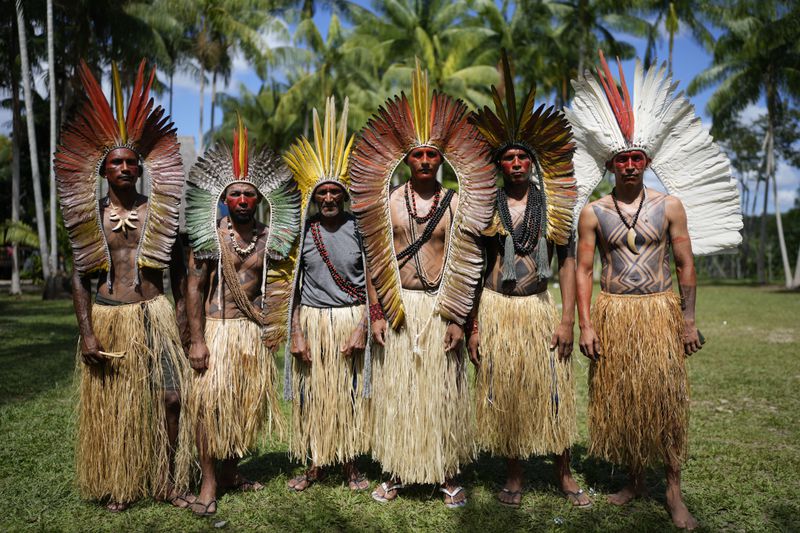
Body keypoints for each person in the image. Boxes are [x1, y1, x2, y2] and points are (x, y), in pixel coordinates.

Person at [567, 51, 742, 530]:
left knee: (664, 401)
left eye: (636, 158)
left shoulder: (670, 207)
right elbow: (583, 270)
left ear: (646, 160)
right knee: (624, 401)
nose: (629, 165)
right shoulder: (594, 212)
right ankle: (633, 481)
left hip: (659, 311)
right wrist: (586, 324)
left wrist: (687, 321)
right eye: (621, 158)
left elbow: (685, 264)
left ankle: (672, 489)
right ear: (610, 162)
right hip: (615, 312)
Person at [349, 63, 496, 507]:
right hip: (399, 307)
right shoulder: (388, 202)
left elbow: (469, 262)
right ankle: (395, 471)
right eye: (418, 155)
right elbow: (376, 262)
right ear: (407, 159)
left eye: (433, 155)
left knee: (443, 393)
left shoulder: (456, 204)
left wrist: (460, 320)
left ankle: (447, 472)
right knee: (398, 392)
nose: (427, 161)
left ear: (442, 159)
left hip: (440, 308)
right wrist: (377, 312)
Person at [54, 60, 192, 511]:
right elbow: (80, 275)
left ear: (142, 167)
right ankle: (121, 482)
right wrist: (87, 332)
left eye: (133, 161)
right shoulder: (89, 213)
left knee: (170, 397)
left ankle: (168, 478)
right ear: (103, 170)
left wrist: (187, 330)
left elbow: (179, 273)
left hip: (155, 314)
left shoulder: (160, 210)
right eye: (117, 162)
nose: (126, 168)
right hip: (109, 315)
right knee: (117, 404)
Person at [468, 50, 590, 509]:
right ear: (499, 165)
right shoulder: (484, 208)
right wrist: (476, 325)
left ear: (533, 163)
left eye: (523, 157)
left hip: (539, 308)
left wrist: (566, 321)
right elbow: (477, 269)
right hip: (498, 308)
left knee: (554, 391)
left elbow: (568, 264)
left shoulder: (552, 207)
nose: (517, 163)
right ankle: (515, 475)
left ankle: (564, 472)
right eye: (509, 157)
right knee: (507, 393)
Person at [184, 117, 300, 516]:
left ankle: (232, 471)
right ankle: (209, 479)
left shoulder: (273, 238)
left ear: (260, 200)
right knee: (208, 407)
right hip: (217, 331)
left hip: (252, 333)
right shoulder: (210, 237)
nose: (243, 201)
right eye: (235, 195)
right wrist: (196, 339)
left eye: (250, 194)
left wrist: (276, 327)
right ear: (225, 199)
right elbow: (194, 287)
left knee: (242, 406)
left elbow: (285, 284)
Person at [282, 97, 372, 491]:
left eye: (336, 193)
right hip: (314, 321)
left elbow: (373, 282)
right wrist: (296, 333)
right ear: (313, 197)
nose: (330, 199)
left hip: (351, 318)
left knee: (350, 396)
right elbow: (290, 289)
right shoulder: (301, 232)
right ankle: (314, 465)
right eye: (323, 194)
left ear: (345, 195)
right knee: (311, 397)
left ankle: (352, 466)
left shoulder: (362, 228)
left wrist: (364, 326)